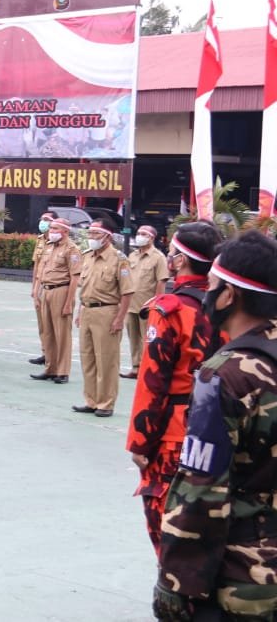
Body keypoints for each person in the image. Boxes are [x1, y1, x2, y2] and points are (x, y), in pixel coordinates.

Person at [153, 231, 277, 621]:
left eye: (212, 285)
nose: (206, 294)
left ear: (230, 295)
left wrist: (176, 584)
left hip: (244, 579)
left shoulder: (224, 375)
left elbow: (201, 489)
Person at [126, 221, 223, 553]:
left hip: (176, 430)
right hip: (223, 424)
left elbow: (153, 382)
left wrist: (140, 442)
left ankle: (177, 595)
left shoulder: (171, 309)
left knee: (167, 525)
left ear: (180, 260)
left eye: (172, 251)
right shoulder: (229, 304)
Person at [72, 219, 134, 418]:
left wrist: (119, 318)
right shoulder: (88, 256)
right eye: (90, 234)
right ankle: (91, 400)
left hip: (107, 312)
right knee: (87, 358)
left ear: (108, 235)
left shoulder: (118, 259)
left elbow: (127, 292)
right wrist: (80, 311)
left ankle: (106, 403)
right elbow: (85, 289)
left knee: (106, 360)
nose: (91, 238)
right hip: (88, 310)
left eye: (96, 234)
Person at [29, 217, 81, 385]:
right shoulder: (48, 247)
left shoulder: (72, 250)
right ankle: (50, 368)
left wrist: (68, 302)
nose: (51, 231)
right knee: (48, 332)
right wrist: (37, 292)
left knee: (62, 333)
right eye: (51, 228)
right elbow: (40, 270)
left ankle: (63, 371)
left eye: (55, 229)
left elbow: (75, 278)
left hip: (61, 290)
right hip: (46, 290)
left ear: (65, 231)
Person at [123, 224, 171, 379]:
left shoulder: (158, 258)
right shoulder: (132, 256)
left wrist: (156, 305)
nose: (139, 236)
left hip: (147, 305)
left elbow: (161, 282)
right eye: (138, 233)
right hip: (131, 304)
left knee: (148, 339)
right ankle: (135, 367)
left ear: (152, 237)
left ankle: (147, 368)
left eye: (143, 234)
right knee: (133, 338)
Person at [28, 209, 62, 365]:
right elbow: (37, 265)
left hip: (55, 286)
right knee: (42, 322)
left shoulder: (62, 243)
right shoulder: (41, 240)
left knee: (54, 322)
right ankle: (45, 351)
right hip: (40, 284)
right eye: (42, 219)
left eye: (47, 219)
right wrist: (34, 287)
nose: (43, 222)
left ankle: (55, 356)